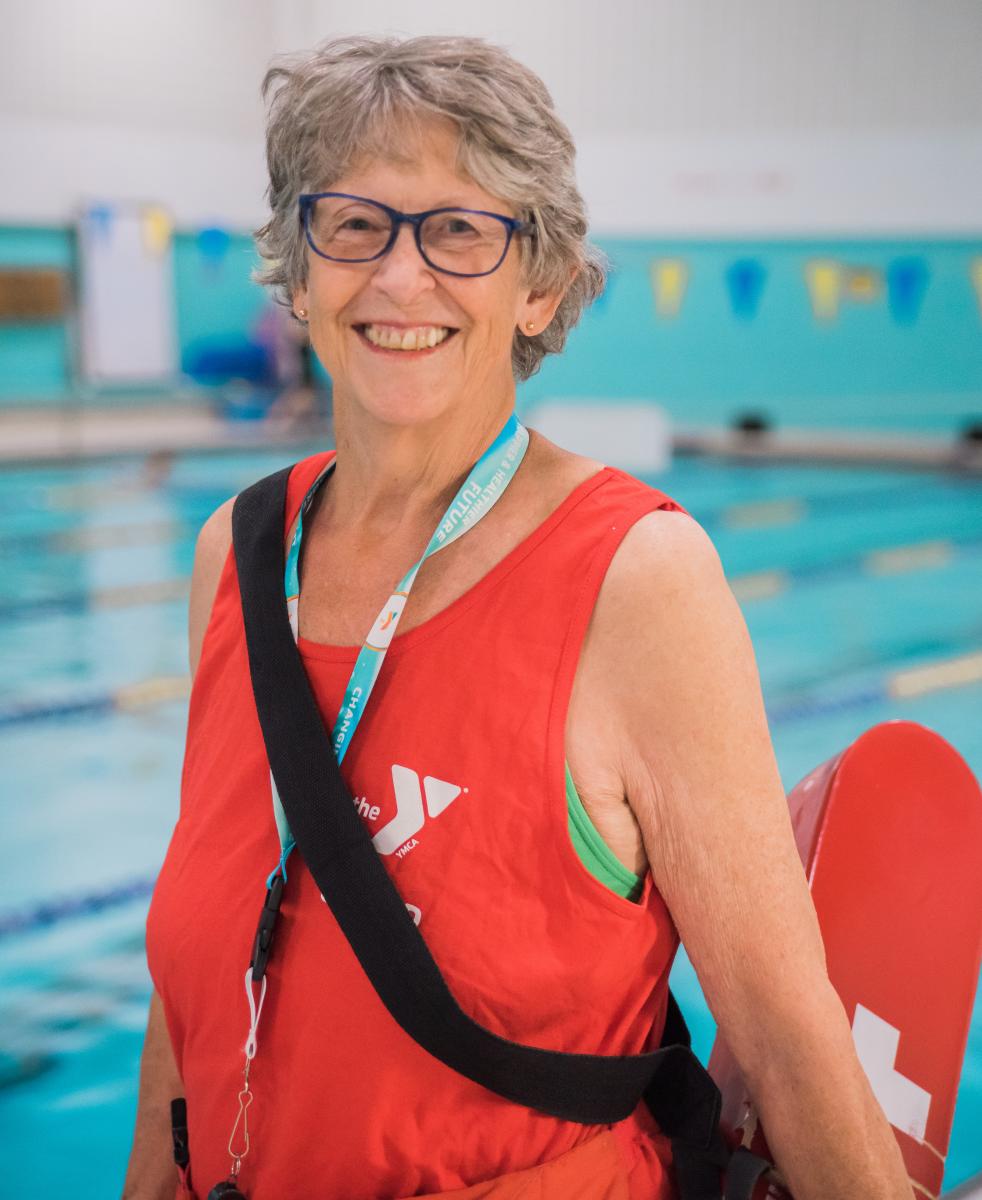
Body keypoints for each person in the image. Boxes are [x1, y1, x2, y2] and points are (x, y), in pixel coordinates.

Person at [122, 34, 913, 1200]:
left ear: (537, 282)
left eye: (459, 229)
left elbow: (788, 1044)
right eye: (351, 224)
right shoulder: (234, 558)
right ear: (297, 272)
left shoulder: (635, 577)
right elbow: (195, 991)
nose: (399, 277)